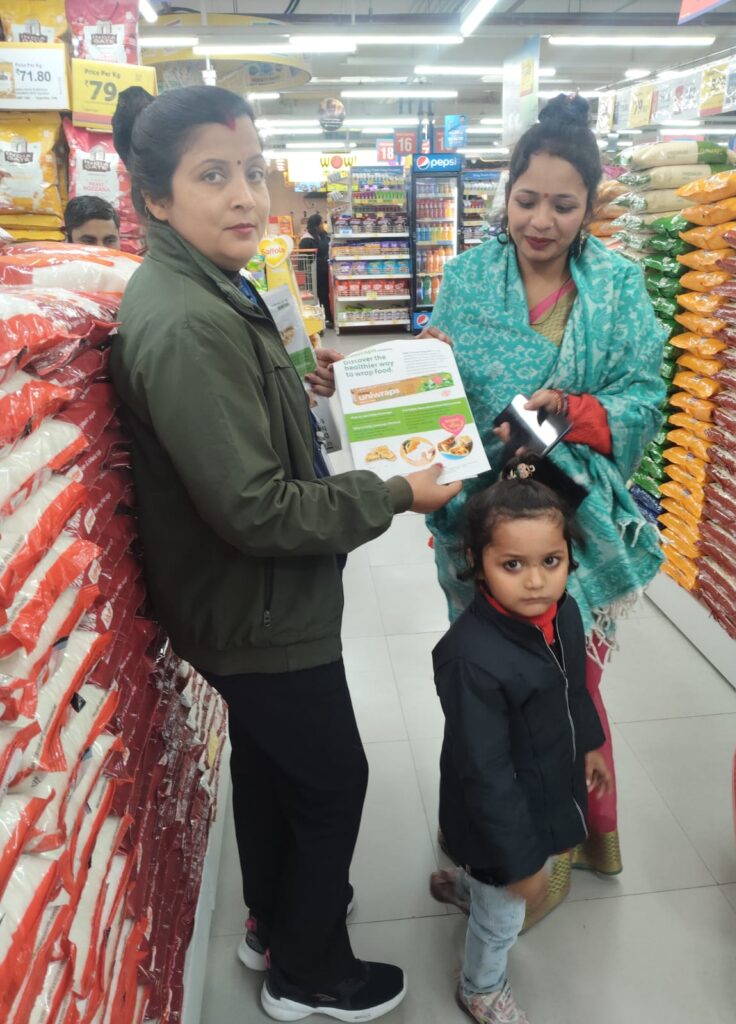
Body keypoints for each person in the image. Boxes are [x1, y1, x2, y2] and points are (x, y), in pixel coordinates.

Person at [110, 84, 460, 1023]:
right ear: (155, 198)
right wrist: (395, 492)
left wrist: (308, 384)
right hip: (257, 604)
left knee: (270, 766)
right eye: (212, 176)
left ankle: (273, 924)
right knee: (332, 778)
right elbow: (254, 507)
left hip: (244, 599)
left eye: (252, 170)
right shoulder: (185, 320)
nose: (244, 195)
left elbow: (238, 422)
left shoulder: (209, 287)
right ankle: (311, 975)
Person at [421, 94, 666, 922]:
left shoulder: (617, 286)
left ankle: (568, 840)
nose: (540, 220)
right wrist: (419, 369)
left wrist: (575, 411)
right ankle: (494, 831)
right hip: (479, 519)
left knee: (566, 682)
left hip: (570, 522)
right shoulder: (465, 278)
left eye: (563, 205)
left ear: (588, 206)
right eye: (526, 199)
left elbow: (644, 394)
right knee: (488, 685)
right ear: (507, 193)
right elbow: (439, 391)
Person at [429, 457, 612, 1024]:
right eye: (513, 564)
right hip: (497, 811)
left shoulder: (566, 613)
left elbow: (575, 687)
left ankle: (468, 886)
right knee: (502, 916)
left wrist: (589, 744)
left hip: (545, 774)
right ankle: (481, 987)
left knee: (493, 884)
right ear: (476, 563)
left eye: (550, 561)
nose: (535, 581)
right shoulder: (470, 658)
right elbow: (484, 771)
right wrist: (519, 862)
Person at [300, 211, 332, 325]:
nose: (323, 225)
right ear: (316, 225)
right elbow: (303, 260)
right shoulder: (306, 239)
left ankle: (326, 317)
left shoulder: (322, 235)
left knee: (324, 295)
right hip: (314, 273)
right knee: (319, 296)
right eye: (321, 223)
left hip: (324, 271)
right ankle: (323, 319)